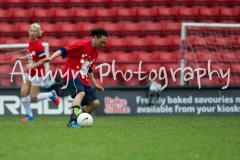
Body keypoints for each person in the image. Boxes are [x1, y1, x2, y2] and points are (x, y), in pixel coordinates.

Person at [33, 28, 108, 128]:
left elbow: (89, 69)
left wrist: (95, 85)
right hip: (71, 74)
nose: (103, 45)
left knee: (95, 103)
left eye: (105, 43)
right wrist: (50, 58)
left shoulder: (96, 52)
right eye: (102, 42)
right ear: (95, 37)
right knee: (80, 93)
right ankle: (72, 121)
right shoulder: (83, 44)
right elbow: (63, 50)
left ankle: (79, 119)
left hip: (83, 78)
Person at [16, 23, 60, 121]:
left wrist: (32, 66)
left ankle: (51, 94)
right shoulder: (30, 42)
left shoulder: (39, 46)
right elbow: (31, 55)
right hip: (29, 73)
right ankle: (30, 115)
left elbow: (43, 60)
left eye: (34, 31)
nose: (32, 33)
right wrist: (21, 58)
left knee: (33, 98)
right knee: (23, 93)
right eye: (31, 30)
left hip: (37, 74)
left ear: (38, 33)